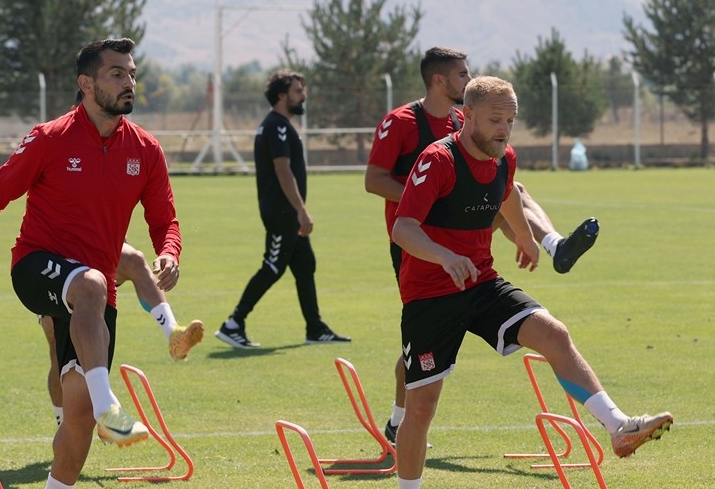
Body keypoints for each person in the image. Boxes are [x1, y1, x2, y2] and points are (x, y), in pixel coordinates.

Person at [0, 38, 182, 489]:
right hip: (36, 266)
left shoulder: (146, 149)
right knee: (88, 285)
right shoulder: (49, 139)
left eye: (131, 73)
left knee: (78, 414)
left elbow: (164, 219)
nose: (128, 82)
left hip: (93, 293)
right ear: (85, 85)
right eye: (115, 74)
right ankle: (112, 400)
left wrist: (169, 252)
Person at [388, 76, 671, 489]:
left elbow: (506, 194)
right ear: (469, 116)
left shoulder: (504, 158)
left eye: (511, 121)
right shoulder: (437, 160)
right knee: (422, 406)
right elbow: (404, 228)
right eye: (496, 120)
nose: (504, 129)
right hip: (431, 296)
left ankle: (619, 426)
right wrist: (445, 255)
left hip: (480, 283)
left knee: (554, 334)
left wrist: (524, 234)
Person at [366, 47, 600, 444]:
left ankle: (552, 244)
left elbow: (491, 177)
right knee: (420, 343)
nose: (468, 78)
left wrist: (518, 233)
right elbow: (374, 180)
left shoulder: (470, 122)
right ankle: (398, 418)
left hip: (466, 238)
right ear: (439, 81)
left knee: (513, 188)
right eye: (461, 74)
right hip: (419, 241)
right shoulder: (403, 122)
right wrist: (432, 194)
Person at [216, 70, 349, 348]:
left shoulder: (280, 125)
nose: (303, 96)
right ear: (281, 95)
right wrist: (301, 209)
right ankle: (233, 323)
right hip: (282, 212)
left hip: (286, 211)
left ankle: (315, 328)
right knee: (273, 265)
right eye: (298, 91)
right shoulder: (276, 126)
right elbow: (282, 168)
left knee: (304, 265)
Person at [41, 242, 205, 424]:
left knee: (134, 260)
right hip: (58, 257)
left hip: (97, 248)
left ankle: (173, 334)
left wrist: (169, 252)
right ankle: (63, 421)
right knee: (56, 345)